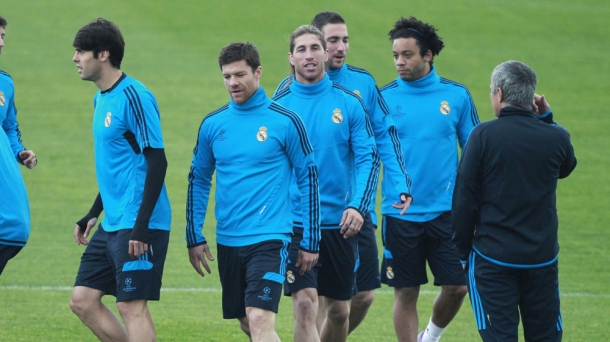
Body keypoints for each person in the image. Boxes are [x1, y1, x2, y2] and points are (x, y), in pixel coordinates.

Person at [186, 42, 320, 342]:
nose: (233, 83)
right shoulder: (213, 124)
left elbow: (309, 179)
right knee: (247, 320)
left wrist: (310, 239)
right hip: (229, 239)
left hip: (270, 237)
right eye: (227, 76)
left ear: (258, 72)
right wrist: (193, 234)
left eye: (240, 75)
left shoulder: (285, 121)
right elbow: (199, 180)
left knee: (260, 317)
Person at [304, 11, 413, 335]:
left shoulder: (362, 84)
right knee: (320, 301)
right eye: (333, 41)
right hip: (308, 213)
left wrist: (401, 183)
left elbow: (385, 138)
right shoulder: (292, 89)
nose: (340, 48)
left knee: (362, 295)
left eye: (345, 40)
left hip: (354, 209)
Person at [452, 60, 577, 342]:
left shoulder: (483, 136)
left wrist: (461, 252)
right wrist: (547, 118)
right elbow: (567, 166)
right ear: (531, 96)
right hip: (542, 261)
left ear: (499, 94)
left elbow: (464, 199)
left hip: (492, 259)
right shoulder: (555, 137)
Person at [273, 25, 382, 342]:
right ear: (291, 58)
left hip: (341, 225)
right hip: (296, 224)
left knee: (339, 312)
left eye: (314, 48)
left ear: (325, 53)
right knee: (305, 306)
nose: (309, 55)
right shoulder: (279, 106)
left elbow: (368, 159)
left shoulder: (349, 103)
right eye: (302, 49)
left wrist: (358, 207)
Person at [69, 18, 172, 342]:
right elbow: (120, 166)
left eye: (80, 51)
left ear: (103, 54)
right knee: (83, 301)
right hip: (113, 221)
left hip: (140, 221)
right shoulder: (101, 99)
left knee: (131, 306)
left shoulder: (135, 97)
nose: (75, 58)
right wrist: (93, 212)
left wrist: (141, 226)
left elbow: (157, 160)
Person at [379, 16, 480, 342]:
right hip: (400, 214)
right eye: (395, 55)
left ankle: (430, 336)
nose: (399, 62)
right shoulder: (383, 99)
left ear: (428, 55)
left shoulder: (457, 96)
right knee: (405, 292)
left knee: (457, 287)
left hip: (447, 214)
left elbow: (476, 153)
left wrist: (474, 204)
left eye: (407, 55)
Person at [0, 14, 37, 276]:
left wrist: (19, 151)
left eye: (2, 37)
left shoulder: (5, 83)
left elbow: (9, 126)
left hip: (9, 221)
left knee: (16, 229)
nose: (1, 43)